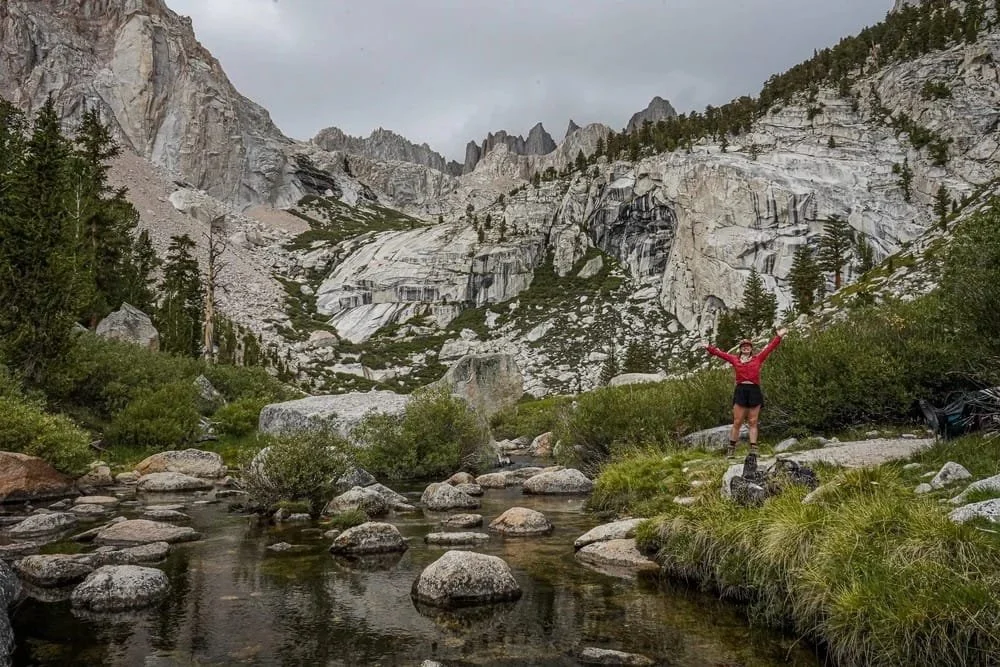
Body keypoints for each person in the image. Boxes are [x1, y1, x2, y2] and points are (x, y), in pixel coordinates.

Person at [702, 328, 788, 459]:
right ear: (740, 349)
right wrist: (709, 348)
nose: (746, 348)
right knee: (737, 421)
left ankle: (753, 449)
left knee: (753, 421)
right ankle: (731, 450)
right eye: (743, 346)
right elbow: (721, 354)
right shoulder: (734, 359)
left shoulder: (758, 358)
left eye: (748, 346)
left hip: (754, 390)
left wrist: (779, 337)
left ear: (751, 348)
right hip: (741, 390)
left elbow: (769, 348)